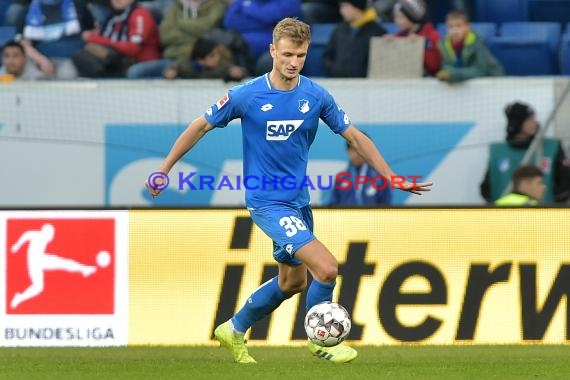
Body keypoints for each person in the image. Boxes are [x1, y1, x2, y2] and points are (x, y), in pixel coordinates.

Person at [146, 17, 431, 364]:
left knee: (292, 282)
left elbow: (354, 136)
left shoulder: (315, 95)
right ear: (272, 51)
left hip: (298, 203)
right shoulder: (246, 95)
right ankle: (320, 341)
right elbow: (200, 126)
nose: (293, 62)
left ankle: (233, 329)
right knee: (326, 268)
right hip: (267, 202)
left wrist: (390, 175)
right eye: (286, 54)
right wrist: (164, 169)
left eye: (300, 55)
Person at [480, 101, 570, 204]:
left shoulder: (552, 147)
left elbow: (565, 184)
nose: (535, 123)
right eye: (529, 119)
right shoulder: (498, 151)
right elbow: (486, 188)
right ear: (517, 123)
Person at [126, 0, 227, 78]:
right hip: (172, 58)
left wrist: (180, 24)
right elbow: (165, 35)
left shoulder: (215, 5)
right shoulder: (176, 7)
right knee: (135, 72)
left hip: (198, 60)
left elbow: (206, 28)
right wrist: (194, 34)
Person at [72, 0, 160, 78]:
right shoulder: (113, 17)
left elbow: (133, 49)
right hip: (119, 61)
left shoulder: (140, 14)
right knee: (81, 56)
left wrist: (96, 39)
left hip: (140, 63)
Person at [322, 0, 386, 78]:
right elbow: (328, 55)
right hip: (339, 80)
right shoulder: (339, 29)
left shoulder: (377, 31)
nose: (341, 10)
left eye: (345, 6)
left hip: (366, 84)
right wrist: (334, 69)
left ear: (357, 8)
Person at [436, 10, 503, 83]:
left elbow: (480, 71)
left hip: (492, 82)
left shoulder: (478, 42)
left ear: (467, 27)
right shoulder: (443, 45)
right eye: (450, 27)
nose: (454, 30)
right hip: (464, 83)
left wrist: (453, 74)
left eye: (459, 26)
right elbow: (446, 67)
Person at [329, 133, 392, 206]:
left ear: (368, 151)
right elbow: (332, 206)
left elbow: (386, 207)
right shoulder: (341, 178)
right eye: (353, 149)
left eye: (360, 150)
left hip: (373, 217)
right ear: (348, 151)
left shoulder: (380, 178)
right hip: (346, 217)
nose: (356, 154)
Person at [391, 0, 441, 77]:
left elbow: (435, 66)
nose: (397, 21)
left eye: (401, 17)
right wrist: (389, 45)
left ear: (412, 17)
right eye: (396, 17)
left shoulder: (432, 36)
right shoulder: (398, 36)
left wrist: (421, 45)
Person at [163, 36, 248, 80]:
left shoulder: (222, 65)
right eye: (212, 56)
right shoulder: (186, 64)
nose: (217, 58)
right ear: (200, 60)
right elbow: (173, 68)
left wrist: (239, 73)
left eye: (217, 53)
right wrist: (170, 73)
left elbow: (239, 71)